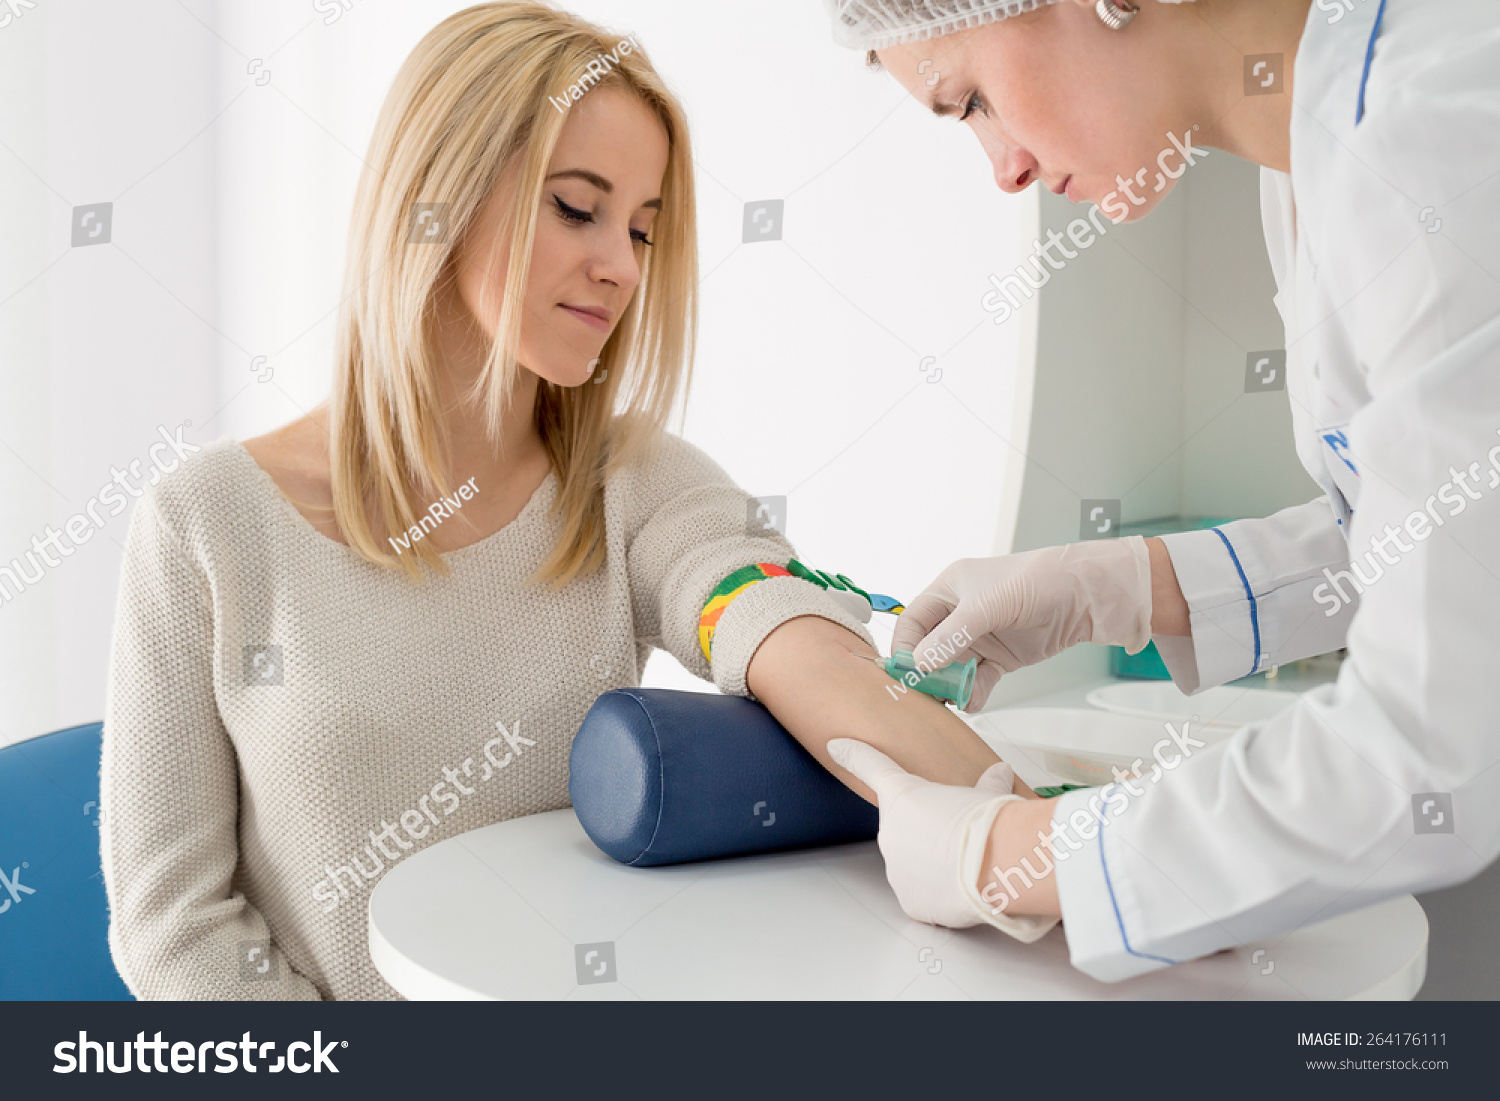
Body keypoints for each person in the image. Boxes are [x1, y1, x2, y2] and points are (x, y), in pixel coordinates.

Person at [100, 0, 1014, 1000]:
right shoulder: (205, 527)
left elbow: (769, 617)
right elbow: (174, 931)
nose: (621, 267)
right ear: (435, 199)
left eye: (644, 230)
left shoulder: (635, 484)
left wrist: (1057, 832)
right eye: (579, 209)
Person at [823, 0, 1500, 982]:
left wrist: (1020, 858)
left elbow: (1435, 748)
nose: (1002, 168)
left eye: (969, 98)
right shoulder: (1311, 152)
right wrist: (1131, 585)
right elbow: (1431, 532)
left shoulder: (1431, 130)